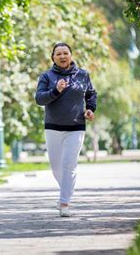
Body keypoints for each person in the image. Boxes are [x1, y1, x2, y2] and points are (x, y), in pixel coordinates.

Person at [35, 42, 97, 217]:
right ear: (53, 58)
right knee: (56, 169)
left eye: (65, 53)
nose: (62, 56)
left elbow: (91, 94)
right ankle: (66, 192)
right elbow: (39, 99)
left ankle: (64, 203)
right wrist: (56, 90)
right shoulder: (47, 77)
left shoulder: (83, 75)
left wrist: (90, 108)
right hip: (53, 127)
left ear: (71, 55)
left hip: (76, 126)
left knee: (69, 166)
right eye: (58, 54)